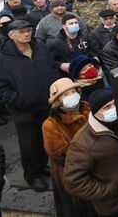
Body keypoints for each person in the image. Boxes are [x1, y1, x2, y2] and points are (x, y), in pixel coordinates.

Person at [0, 20, 60, 191]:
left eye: (28, 31)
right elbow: (1, 87)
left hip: (44, 103)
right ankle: (32, 175)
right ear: (11, 36)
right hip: (23, 109)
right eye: (22, 32)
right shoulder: (2, 57)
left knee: (44, 138)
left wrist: (53, 88)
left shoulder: (39, 47)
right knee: (29, 144)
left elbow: (53, 67)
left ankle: (41, 166)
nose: (26, 34)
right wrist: (19, 99)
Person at [63, 90, 118, 217]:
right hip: (116, 206)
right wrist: (109, 190)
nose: (113, 109)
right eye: (106, 107)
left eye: (114, 104)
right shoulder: (83, 143)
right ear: (95, 113)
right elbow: (73, 182)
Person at [42, 78, 96, 217]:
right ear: (58, 100)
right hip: (71, 171)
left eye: (73, 92)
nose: (71, 96)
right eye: (66, 94)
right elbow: (59, 154)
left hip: (96, 165)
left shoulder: (87, 108)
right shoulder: (51, 124)